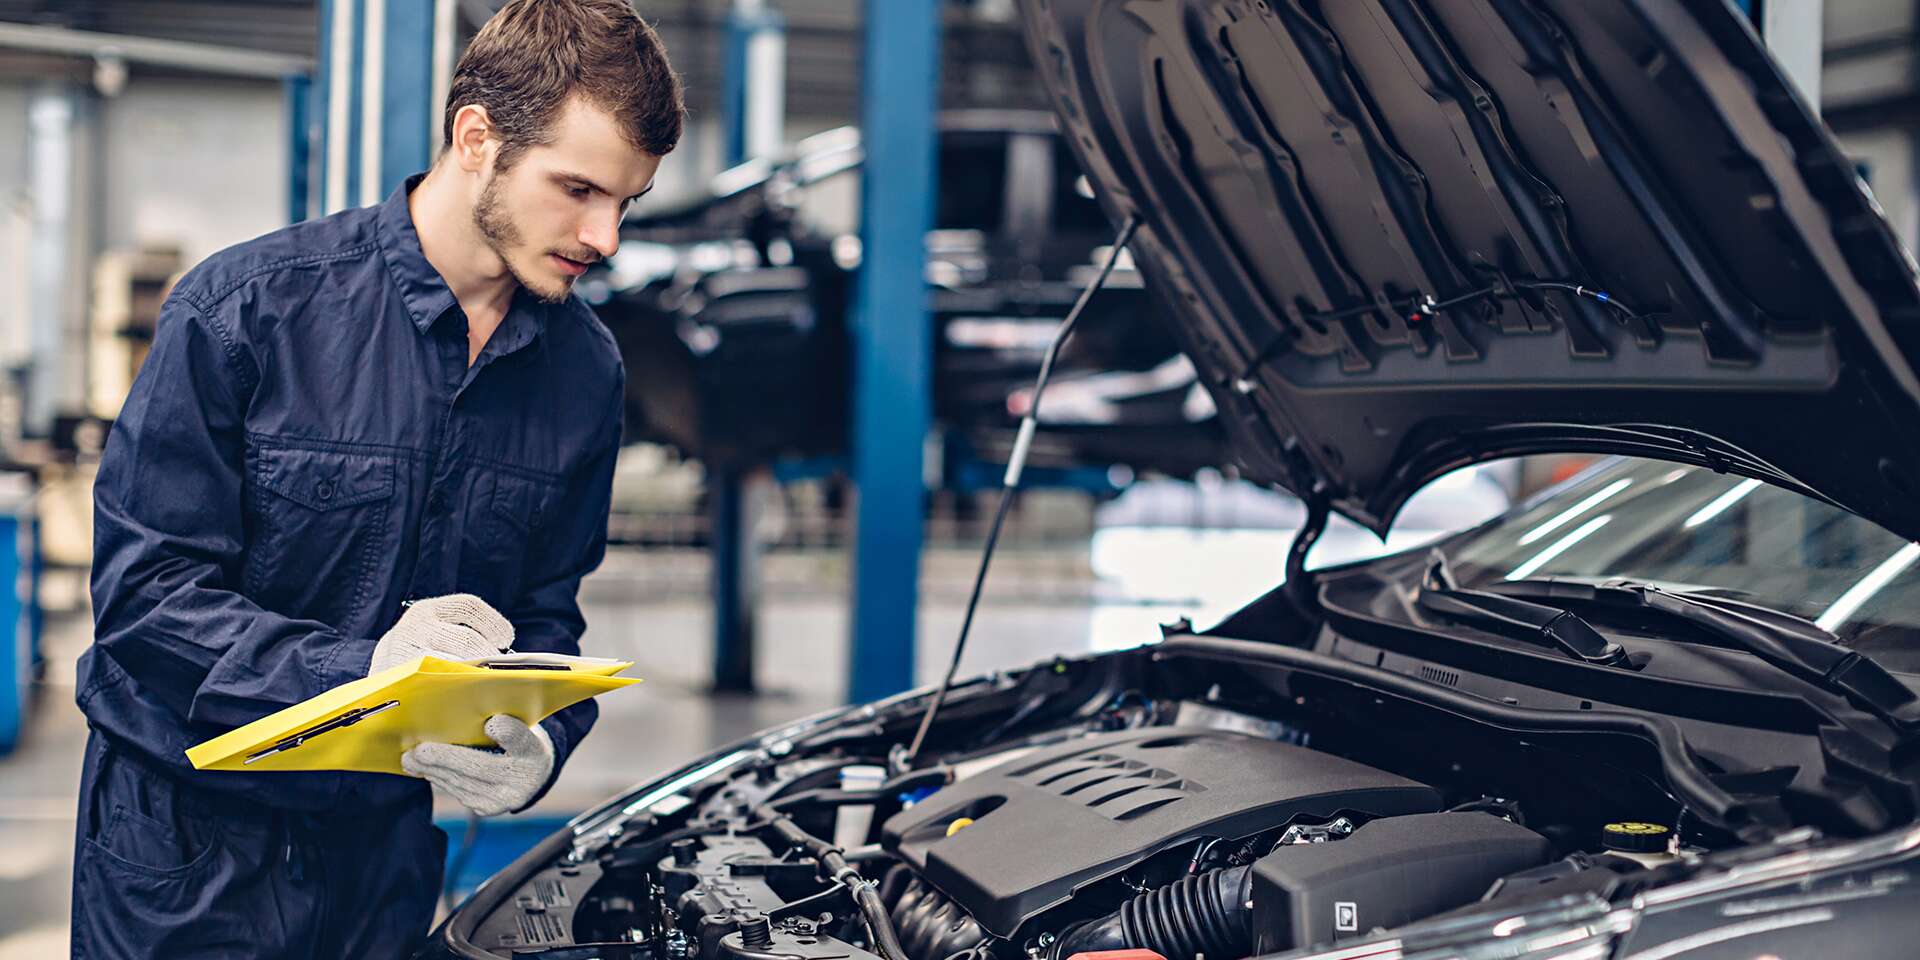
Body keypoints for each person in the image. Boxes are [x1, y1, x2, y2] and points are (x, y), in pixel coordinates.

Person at [70, 1, 683, 955]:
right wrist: (364, 673)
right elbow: (146, 605)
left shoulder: (584, 372)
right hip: (186, 859)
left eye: (626, 202)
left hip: (380, 860)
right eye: (578, 190)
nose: (604, 237)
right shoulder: (245, 313)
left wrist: (543, 742)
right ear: (476, 137)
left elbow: (547, 619)